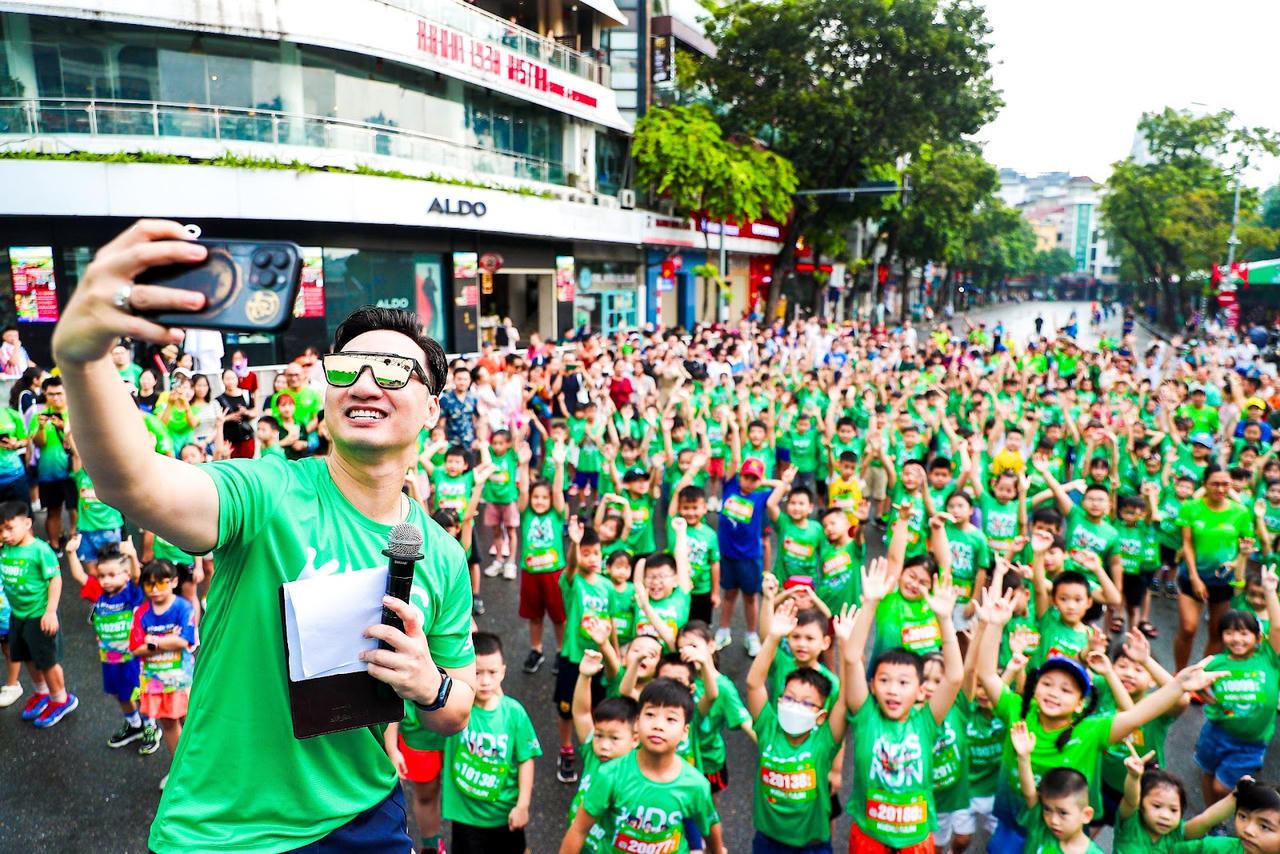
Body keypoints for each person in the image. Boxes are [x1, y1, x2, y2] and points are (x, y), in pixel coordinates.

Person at [52, 220, 476, 853]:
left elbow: (454, 709)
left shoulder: (440, 555)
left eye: (391, 372)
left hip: (368, 820)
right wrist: (81, 357)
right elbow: (133, 482)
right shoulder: (267, 492)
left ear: (434, 406)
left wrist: (427, 681)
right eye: (348, 368)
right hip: (225, 833)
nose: (364, 385)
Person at [560, 679, 724, 854]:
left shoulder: (696, 785)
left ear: (685, 732)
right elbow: (579, 829)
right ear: (637, 723)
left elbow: (711, 828)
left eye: (670, 719)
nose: (658, 725)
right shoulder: (610, 774)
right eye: (650, 714)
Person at [441, 632, 540, 854]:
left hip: (504, 813)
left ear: (503, 671)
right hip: (466, 816)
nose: (485, 681)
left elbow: (526, 759)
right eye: (477, 672)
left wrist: (523, 805)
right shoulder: (458, 709)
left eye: (492, 672)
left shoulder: (514, 713)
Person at [0, 500, 75, 727]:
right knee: (27, 656)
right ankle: (42, 693)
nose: (5, 534)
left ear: (27, 524)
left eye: (10, 528)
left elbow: (55, 579)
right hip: (18, 614)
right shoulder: (6, 548)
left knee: (48, 661)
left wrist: (50, 611)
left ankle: (61, 699)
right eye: (0, 530)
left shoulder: (39, 550)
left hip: (39, 615)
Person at [129, 558, 198, 789]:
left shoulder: (183, 607)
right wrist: (166, 641)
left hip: (182, 680)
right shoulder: (141, 612)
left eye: (161, 583)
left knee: (191, 722)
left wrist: (153, 642)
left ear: (174, 582)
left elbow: (185, 640)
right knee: (168, 725)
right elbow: (135, 647)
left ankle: (202, 769)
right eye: (149, 584)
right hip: (155, 683)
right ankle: (181, 772)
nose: (155, 589)